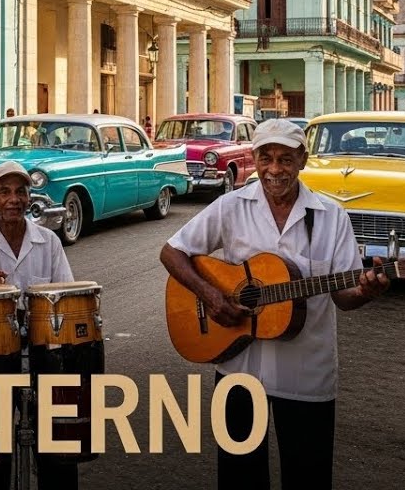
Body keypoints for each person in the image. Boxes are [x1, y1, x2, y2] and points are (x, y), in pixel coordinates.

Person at [159, 118, 389, 490]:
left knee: (308, 476)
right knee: (237, 478)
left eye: (285, 159)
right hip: (237, 368)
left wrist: (366, 291)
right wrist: (212, 296)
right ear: (255, 159)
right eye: (266, 158)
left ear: (303, 160)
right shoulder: (231, 206)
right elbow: (173, 251)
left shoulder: (331, 218)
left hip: (306, 375)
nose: (275, 170)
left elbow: (344, 298)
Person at [0, 160, 76, 490]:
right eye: (5, 192)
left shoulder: (49, 241)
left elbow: (67, 296)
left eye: (21, 192)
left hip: (45, 356)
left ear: (30, 198)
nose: (14, 199)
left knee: (58, 447)